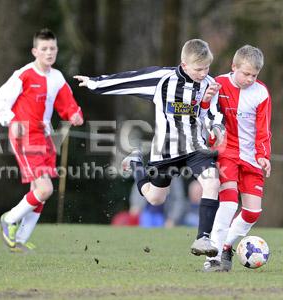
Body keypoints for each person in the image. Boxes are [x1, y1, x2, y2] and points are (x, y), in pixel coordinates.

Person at [74, 39, 224, 257]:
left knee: (213, 182)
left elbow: (214, 114)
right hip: (165, 150)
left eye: (207, 68)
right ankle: (135, 163)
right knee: (155, 198)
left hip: (196, 148)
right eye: (198, 69)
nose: (203, 73)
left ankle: (202, 238)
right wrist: (95, 83)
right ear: (183, 64)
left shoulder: (210, 84)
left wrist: (217, 127)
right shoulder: (162, 79)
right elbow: (129, 80)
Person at [0, 28, 84, 253]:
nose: (49, 52)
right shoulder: (24, 74)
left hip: (45, 136)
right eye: (44, 49)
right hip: (24, 136)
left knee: (38, 191)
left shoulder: (57, 77)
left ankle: (20, 240)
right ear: (35, 51)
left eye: (52, 48)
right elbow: (0, 99)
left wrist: (74, 114)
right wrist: (10, 120)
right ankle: (9, 219)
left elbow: (67, 104)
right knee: (45, 189)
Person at [205, 45, 272, 272]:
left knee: (253, 212)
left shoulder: (261, 93)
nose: (249, 79)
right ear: (234, 67)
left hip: (252, 157)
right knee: (229, 203)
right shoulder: (218, 84)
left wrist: (264, 156)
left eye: (254, 75)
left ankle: (226, 245)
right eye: (245, 74)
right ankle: (212, 257)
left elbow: (264, 129)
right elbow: (206, 111)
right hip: (227, 152)